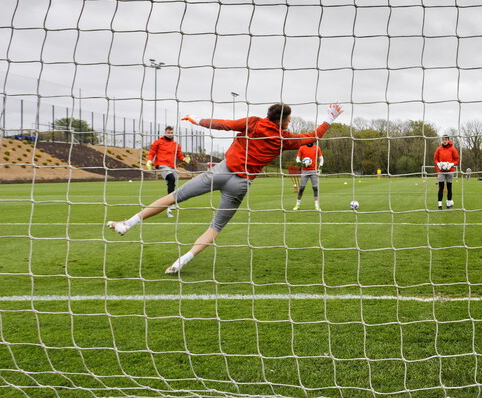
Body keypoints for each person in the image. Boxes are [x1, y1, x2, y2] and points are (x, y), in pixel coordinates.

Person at [107, 102, 344, 273]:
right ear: (282, 120)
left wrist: (196, 120)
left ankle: (127, 224)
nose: (290, 122)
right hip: (240, 184)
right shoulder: (284, 138)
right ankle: (181, 262)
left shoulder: (253, 122)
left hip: (221, 172)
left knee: (174, 197)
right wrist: (330, 117)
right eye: (289, 119)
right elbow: (312, 135)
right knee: (216, 227)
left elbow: (223, 124)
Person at [145, 126, 190, 217]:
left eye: (171, 132)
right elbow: (151, 153)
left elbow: (179, 156)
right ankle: (171, 203)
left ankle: (169, 208)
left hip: (172, 166)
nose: (170, 134)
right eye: (168, 132)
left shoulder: (176, 144)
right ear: (165, 133)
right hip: (162, 165)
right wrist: (149, 161)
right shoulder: (158, 142)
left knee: (172, 183)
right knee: (171, 178)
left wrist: (185, 159)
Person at [293, 142, 323, 210]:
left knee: (315, 188)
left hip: (314, 171)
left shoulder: (317, 148)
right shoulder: (302, 148)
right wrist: (302, 164)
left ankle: (316, 205)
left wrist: (320, 168)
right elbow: (297, 159)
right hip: (304, 171)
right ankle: (297, 204)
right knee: (301, 188)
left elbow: (321, 159)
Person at [433, 134, 459, 209]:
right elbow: (435, 159)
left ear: (448, 140)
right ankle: (439, 205)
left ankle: (448, 203)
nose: (444, 141)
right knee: (441, 187)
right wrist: (438, 163)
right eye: (443, 140)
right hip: (441, 171)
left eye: (446, 140)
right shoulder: (439, 149)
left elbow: (457, 160)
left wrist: (451, 164)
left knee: (449, 188)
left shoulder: (453, 149)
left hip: (450, 171)